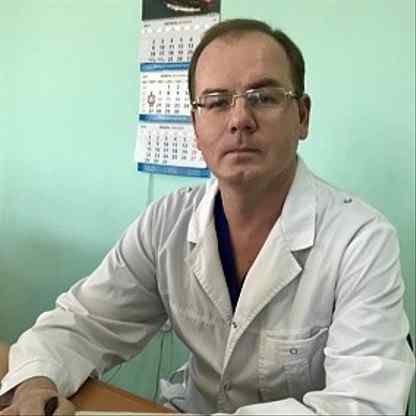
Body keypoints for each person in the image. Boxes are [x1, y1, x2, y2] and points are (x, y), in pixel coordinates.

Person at [0, 18, 415, 415]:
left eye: (264, 97)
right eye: (216, 102)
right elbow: (82, 322)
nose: (240, 120)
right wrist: (37, 384)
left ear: (302, 116)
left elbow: (367, 405)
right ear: (195, 126)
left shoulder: (360, 239)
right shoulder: (167, 223)